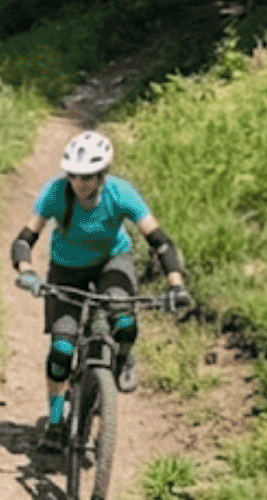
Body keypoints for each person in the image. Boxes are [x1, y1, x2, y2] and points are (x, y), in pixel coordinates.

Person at [10, 130, 189, 454]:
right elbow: (24, 239)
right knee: (62, 348)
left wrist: (176, 285)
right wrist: (27, 272)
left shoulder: (121, 193)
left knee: (124, 319)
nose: (80, 183)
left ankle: (122, 358)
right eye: (75, 176)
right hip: (66, 269)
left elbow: (159, 241)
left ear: (102, 175)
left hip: (112, 261)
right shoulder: (54, 193)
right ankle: (54, 422)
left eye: (88, 177)